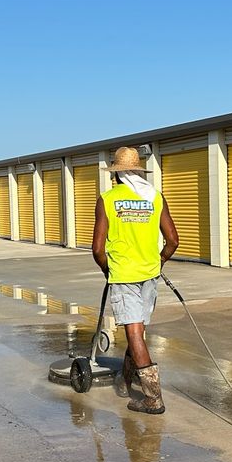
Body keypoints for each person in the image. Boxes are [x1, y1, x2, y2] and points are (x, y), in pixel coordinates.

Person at [92, 146, 179, 414]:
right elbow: (173, 240)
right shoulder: (155, 197)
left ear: (116, 175)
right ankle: (125, 380)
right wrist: (158, 261)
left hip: (124, 275)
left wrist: (109, 269)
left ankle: (153, 398)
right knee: (137, 331)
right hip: (150, 274)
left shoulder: (107, 199)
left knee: (133, 333)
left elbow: (97, 249)